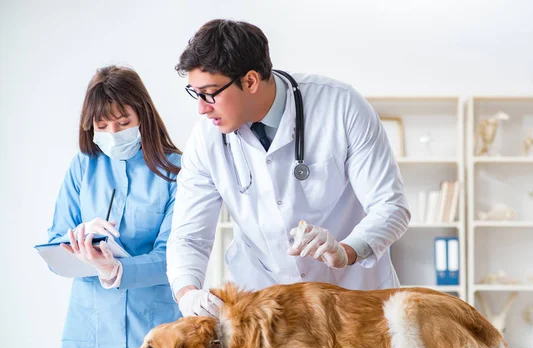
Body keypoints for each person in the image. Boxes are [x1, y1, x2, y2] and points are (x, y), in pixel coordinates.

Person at [167, 19, 411, 318]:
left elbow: (391, 206)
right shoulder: (206, 139)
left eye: (210, 93)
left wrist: (346, 251)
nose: (202, 108)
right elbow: (189, 236)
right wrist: (187, 293)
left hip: (354, 298)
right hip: (267, 307)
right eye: (196, 93)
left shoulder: (341, 106)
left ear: (251, 81)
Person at [47, 66, 182, 348]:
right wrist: (79, 239)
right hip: (89, 334)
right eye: (102, 125)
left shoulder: (175, 170)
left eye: (124, 122)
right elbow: (52, 247)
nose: (113, 132)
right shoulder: (83, 166)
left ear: (144, 116)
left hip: (151, 335)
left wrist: (118, 269)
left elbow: (175, 255)